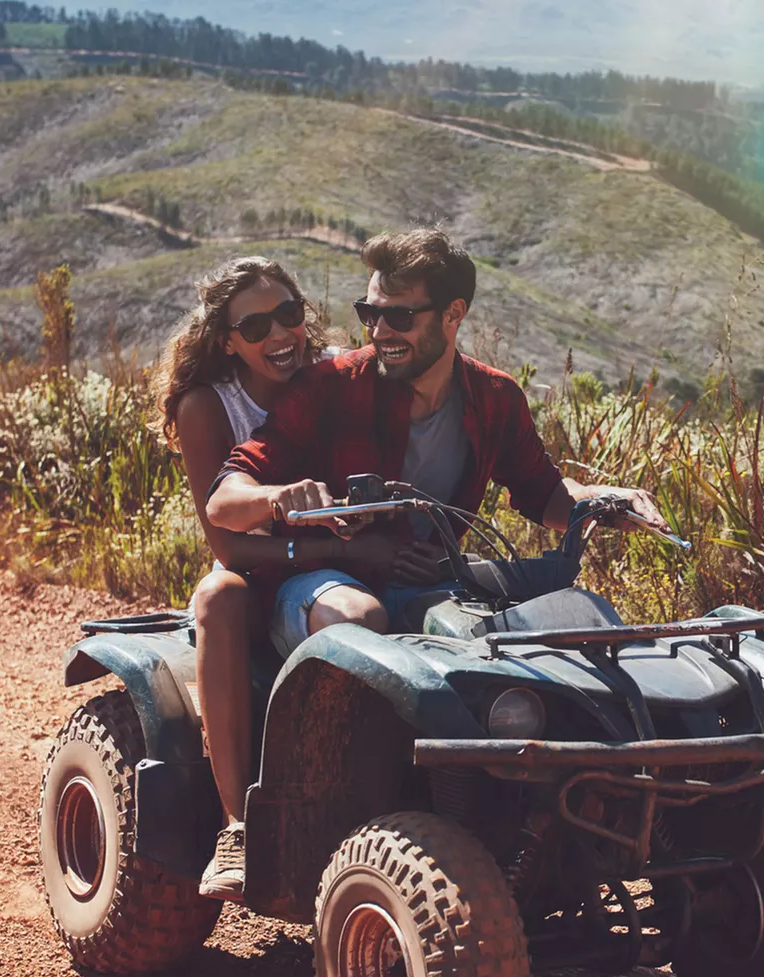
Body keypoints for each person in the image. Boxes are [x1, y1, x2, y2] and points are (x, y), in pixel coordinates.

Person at [200, 227, 665, 899]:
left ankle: (566, 817)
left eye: (398, 315)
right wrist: (278, 497)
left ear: (453, 315)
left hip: (436, 584)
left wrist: (605, 501)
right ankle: (326, 824)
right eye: (369, 313)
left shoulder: (493, 397)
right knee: (359, 615)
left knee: (563, 636)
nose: (379, 329)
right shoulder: (332, 386)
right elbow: (225, 497)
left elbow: (542, 493)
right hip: (327, 580)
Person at [153, 255, 334, 896]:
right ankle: (235, 827)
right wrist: (312, 556)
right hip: (259, 569)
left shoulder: (332, 376)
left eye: (288, 315)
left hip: (342, 557)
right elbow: (225, 543)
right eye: (254, 328)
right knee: (217, 599)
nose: (278, 337)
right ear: (227, 341)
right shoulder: (211, 405)